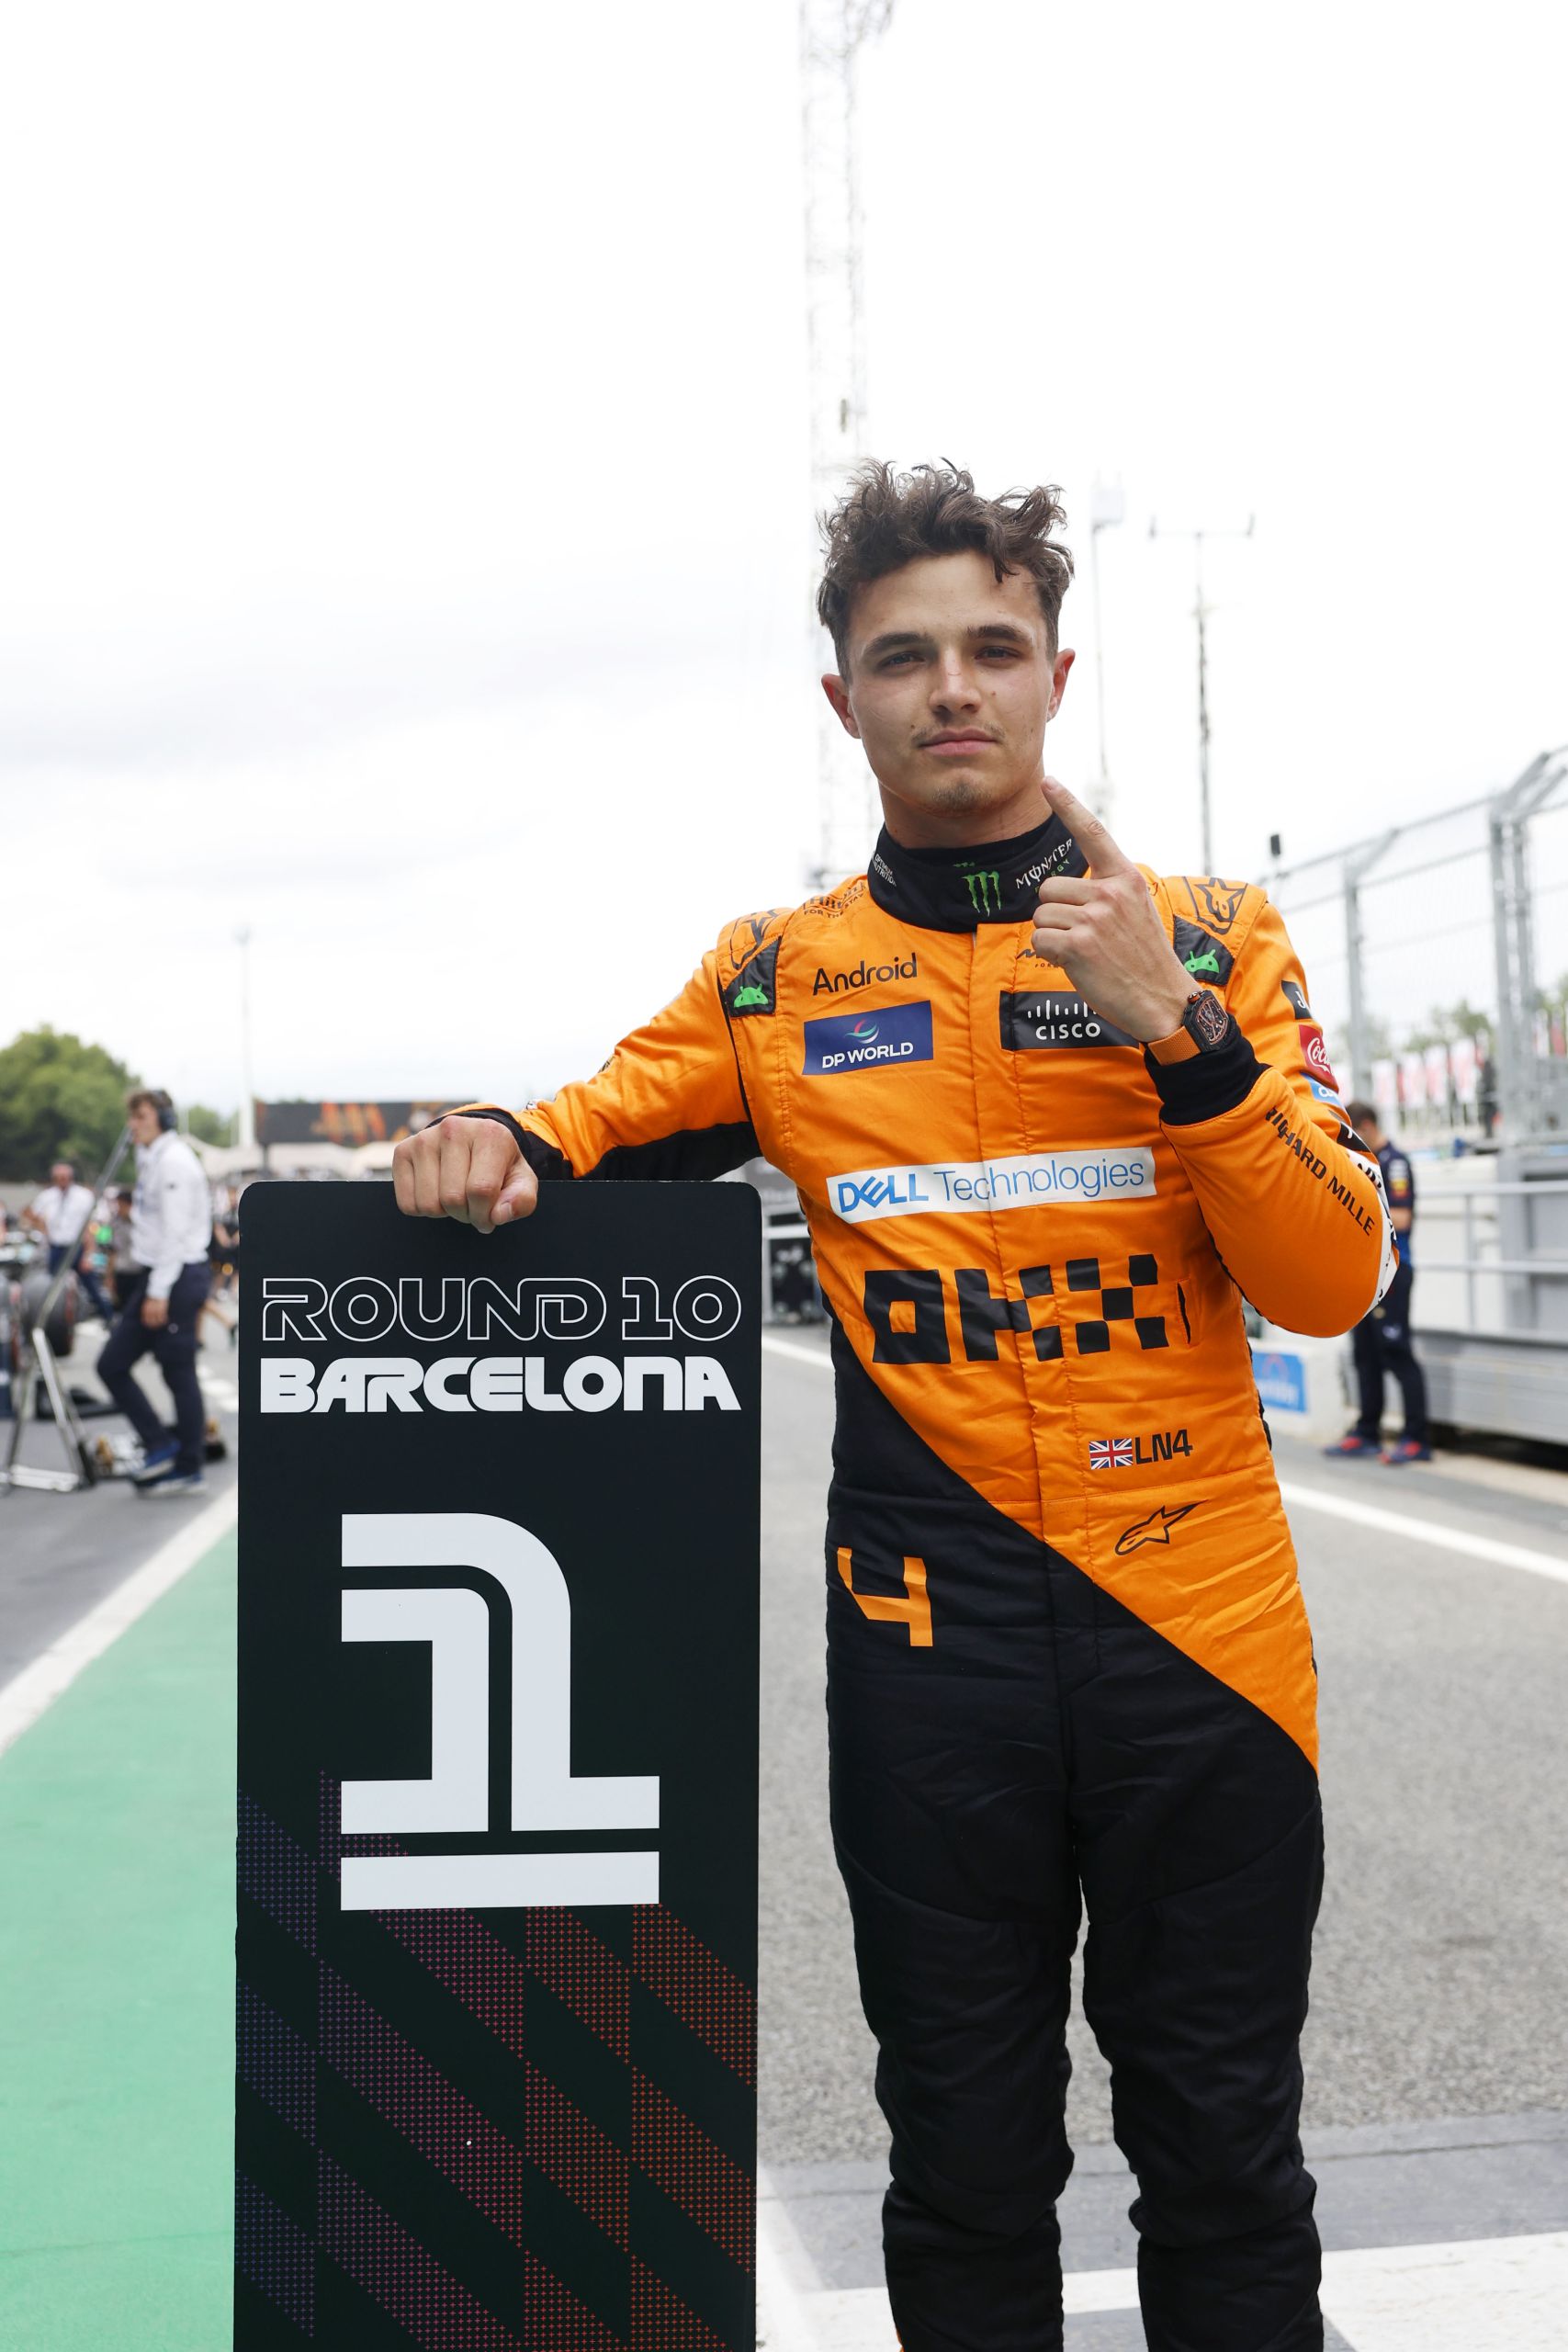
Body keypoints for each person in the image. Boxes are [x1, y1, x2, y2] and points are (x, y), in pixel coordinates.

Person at [391, 463, 1393, 2352]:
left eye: (991, 648)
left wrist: (1170, 1026)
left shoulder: (1214, 934)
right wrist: (472, 1149)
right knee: (957, 2155)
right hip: (929, 1652)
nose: (953, 687)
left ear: (1055, 677)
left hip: (1206, 1637)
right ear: (838, 696)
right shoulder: (773, 979)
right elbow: (570, 1132)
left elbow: (1331, 1278)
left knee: (1224, 2152)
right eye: (904, 654)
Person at [96, 1089, 213, 1497]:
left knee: (177, 1370)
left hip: (177, 1273)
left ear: (163, 1118)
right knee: (112, 1364)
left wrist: (159, 1292)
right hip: (158, 1274)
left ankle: (189, 1464)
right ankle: (162, 1443)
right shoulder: (154, 1158)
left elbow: (176, 1235)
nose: (134, 1125)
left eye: (141, 1116)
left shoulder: (175, 1161)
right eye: (132, 1117)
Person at [1324, 1099, 1429, 1464]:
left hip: (1394, 1273)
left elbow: (1401, 1218)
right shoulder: (1357, 1161)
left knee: (1396, 1352)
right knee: (1364, 1355)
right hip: (1365, 1275)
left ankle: (1417, 1438)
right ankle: (1368, 1431)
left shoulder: (1394, 1162)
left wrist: (1359, 1211)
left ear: (1365, 1126)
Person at [20, 1159, 115, 1322]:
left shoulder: (83, 1196)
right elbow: (28, 1212)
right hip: (56, 1246)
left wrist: (88, 1253)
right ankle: (51, 1319)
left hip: (78, 1247)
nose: (62, 1180)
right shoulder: (48, 1196)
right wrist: (42, 1226)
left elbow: (92, 1225)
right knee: (52, 1286)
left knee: (91, 1285)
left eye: (65, 1177)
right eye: (59, 1177)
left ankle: (108, 1318)